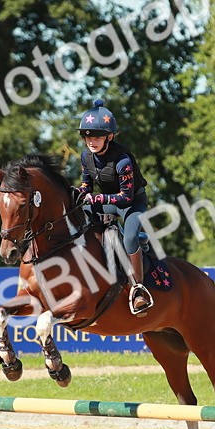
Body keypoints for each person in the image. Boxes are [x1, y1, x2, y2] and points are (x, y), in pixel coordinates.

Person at [75, 98, 153, 315]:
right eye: (87, 136)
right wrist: (79, 194)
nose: (91, 141)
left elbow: (125, 198)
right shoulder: (85, 157)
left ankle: (138, 289)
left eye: (97, 136)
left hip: (132, 204)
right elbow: (86, 184)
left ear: (109, 136)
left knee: (129, 238)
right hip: (110, 202)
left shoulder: (123, 160)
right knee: (78, 214)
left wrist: (96, 199)